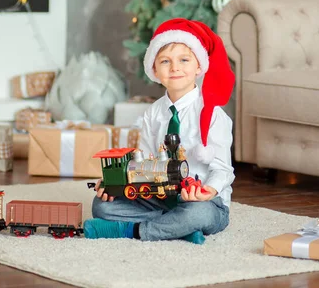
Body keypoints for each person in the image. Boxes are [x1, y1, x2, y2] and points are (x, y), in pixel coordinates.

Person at [83, 18, 235, 244]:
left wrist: (208, 191)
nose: (175, 68)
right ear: (154, 69)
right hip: (160, 197)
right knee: (102, 206)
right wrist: (118, 185)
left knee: (197, 214)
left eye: (184, 60)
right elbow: (143, 163)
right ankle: (178, 228)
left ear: (199, 67)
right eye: (165, 61)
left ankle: (132, 231)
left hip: (203, 202)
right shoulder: (152, 114)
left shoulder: (213, 115)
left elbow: (223, 170)